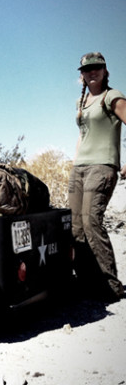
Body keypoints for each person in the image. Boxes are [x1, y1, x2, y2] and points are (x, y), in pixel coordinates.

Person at [69, 52, 126, 303]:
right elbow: (83, 134)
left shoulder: (112, 97)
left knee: (92, 221)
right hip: (80, 168)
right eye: (87, 69)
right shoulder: (81, 102)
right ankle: (86, 282)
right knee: (76, 227)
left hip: (102, 166)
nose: (92, 72)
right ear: (81, 74)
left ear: (105, 71)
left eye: (97, 68)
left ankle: (111, 286)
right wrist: (74, 161)